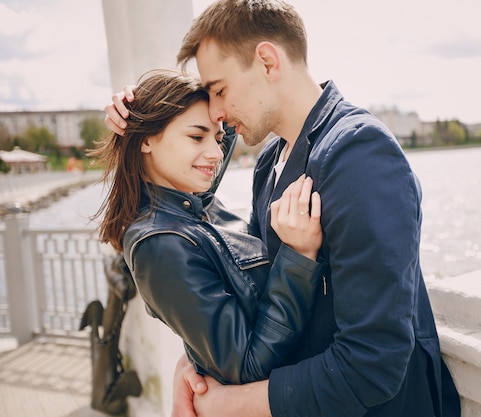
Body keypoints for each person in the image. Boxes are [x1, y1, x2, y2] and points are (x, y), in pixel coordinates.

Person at [105, 1, 461, 416]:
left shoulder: (361, 154)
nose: (216, 112)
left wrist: (231, 405)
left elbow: (374, 362)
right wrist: (136, 119)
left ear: (267, 62)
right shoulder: (269, 161)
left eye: (219, 90)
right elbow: (253, 292)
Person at [92, 68, 327, 385]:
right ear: (146, 139)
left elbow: (223, 129)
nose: (216, 153)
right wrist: (298, 257)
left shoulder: (191, 202)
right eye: (196, 137)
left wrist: (137, 102)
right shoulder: (160, 243)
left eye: (216, 139)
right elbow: (246, 364)